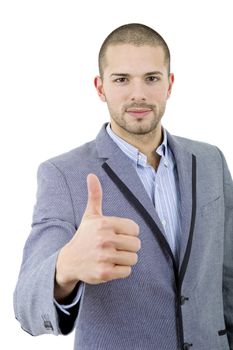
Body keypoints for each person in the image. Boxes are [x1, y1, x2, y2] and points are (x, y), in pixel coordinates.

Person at [14, 23, 233, 350]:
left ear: (169, 84)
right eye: (121, 80)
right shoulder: (63, 174)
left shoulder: (210, 160)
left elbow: (227, 275)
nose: (138, 94)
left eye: (151, 78)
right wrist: (65, 267)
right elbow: (26, 304)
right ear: (100, 88)